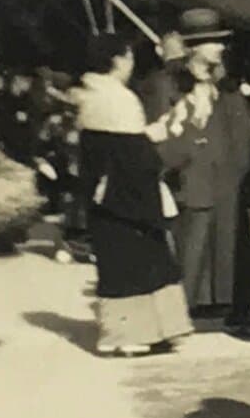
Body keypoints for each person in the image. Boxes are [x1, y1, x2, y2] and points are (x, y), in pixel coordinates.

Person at [74, 32, 192, 357]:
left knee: (123, 260)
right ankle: (129, 334)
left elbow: (118, 146)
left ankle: (142, 331)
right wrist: (164, 136)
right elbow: (132, 153)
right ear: (116, 60)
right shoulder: (119, 99)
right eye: (127, 56)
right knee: (135, 261)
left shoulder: (92, 95)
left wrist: (152, 134)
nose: (131, 63)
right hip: (127, 195)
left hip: (107, 193)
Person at [154, 7, 250, 335]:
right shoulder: (169, 84)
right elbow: (161, 134)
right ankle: (183, 310)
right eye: (213, 42)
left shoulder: (226, 85)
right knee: (192, 244)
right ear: (193, 47)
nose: (220, 47)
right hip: (193, 178)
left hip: (229, 180)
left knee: (234, 244)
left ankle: (235, 307)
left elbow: (241, 130)